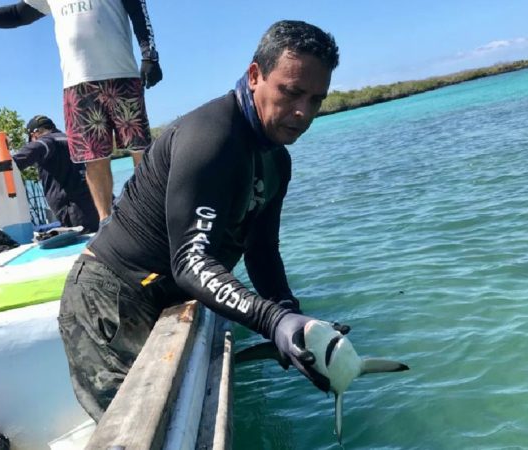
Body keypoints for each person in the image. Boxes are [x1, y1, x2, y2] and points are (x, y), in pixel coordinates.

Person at [55, 20, 347, 420]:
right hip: (112, 298)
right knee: (137, 432)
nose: (303, 112)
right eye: (292, 92)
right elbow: (191, 262)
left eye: (316, 99)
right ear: (255, 75)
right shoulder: (211, 137)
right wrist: (271, 319)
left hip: (164, 294)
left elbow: (262, 251)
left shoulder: (277, 160)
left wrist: (292, 316)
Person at [0, 0, 162, 222]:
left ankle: (154, 217)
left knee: (140, 150)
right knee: (93, 159)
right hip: (77, 84)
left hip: (122, 76)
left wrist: (149, 55)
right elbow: (17, 15)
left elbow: (138, 10)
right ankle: (106, 222)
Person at [12, 115, 99, 233]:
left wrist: (9, 163)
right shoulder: (70, 139)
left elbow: (34, 149)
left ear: (35, 134)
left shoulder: (46, 141)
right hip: (94, 202)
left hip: (75, 210)